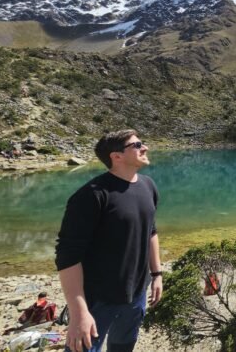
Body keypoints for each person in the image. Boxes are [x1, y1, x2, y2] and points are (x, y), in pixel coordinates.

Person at [55, 130, 162, 352]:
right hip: (97, 300)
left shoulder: (148, 185)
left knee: (123, 347)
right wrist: (79, 313)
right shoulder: (91, 196)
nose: (145, 148)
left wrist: (157, 274)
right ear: (117, 156)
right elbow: (67, 257)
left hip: (137, 294)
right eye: (137, 145)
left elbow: (151, 231)